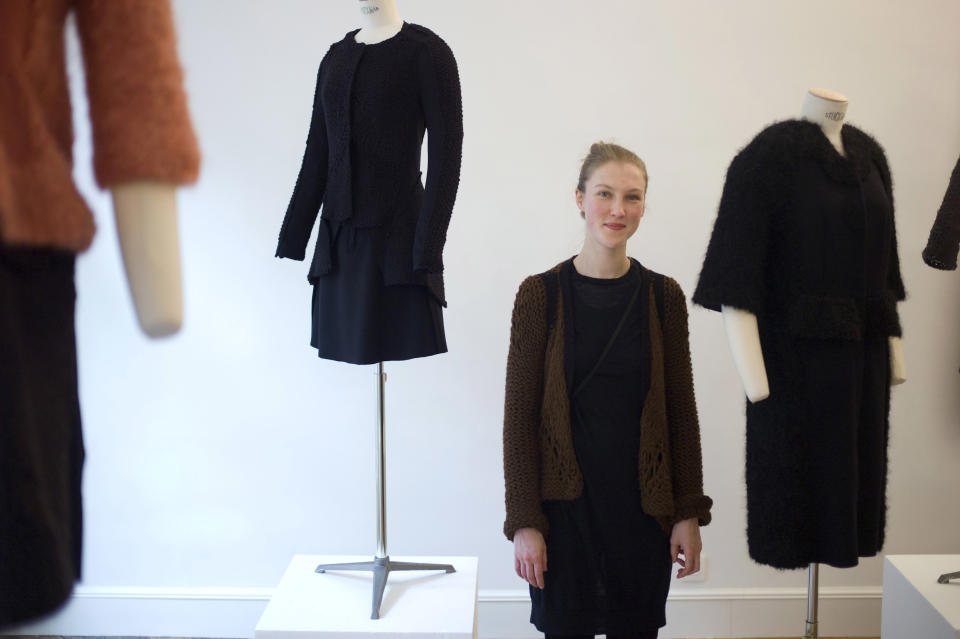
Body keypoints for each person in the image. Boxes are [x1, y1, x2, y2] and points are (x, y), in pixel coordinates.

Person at [502, 142, 712, 639]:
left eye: (632, 197)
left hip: (641, 515)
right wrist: (524, 521)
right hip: (562, 516)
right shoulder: (540, 295)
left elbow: (681, 411)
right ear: (579, 199)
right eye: (605, 194)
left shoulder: (664, 297)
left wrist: (687, 513)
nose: (618, 210)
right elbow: (518, 418)